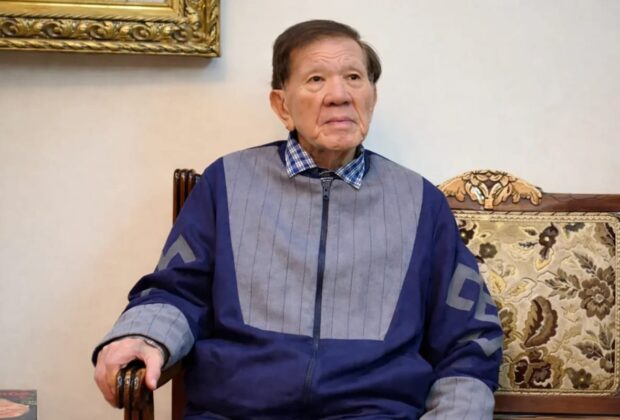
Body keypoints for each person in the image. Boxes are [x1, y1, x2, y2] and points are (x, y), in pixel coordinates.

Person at [93, 19, 503, 419]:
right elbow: (177, 290)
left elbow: (469, 336)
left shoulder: (419, 201)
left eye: (354, 77)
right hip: (236, 410)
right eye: (316, 79)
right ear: (281, 105)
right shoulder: (226, 182)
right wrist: (143, 335)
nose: (339, 95)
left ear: (372, 97)